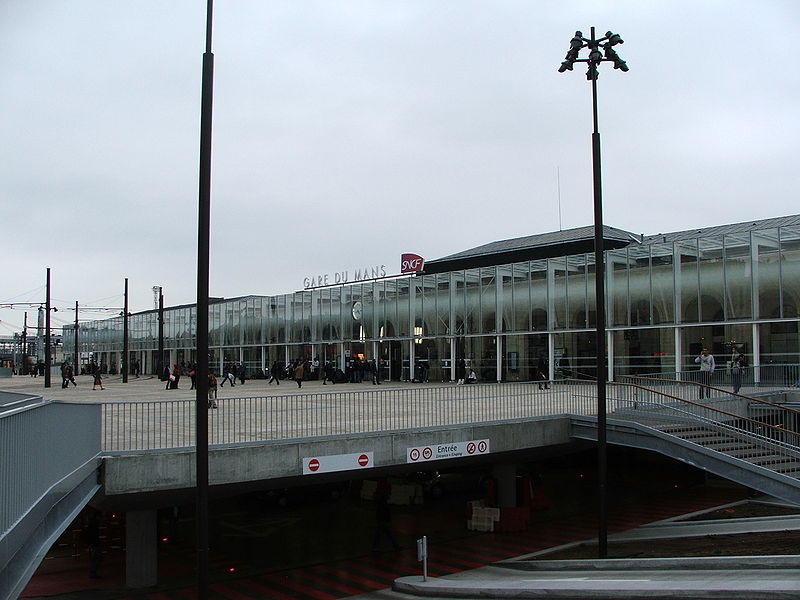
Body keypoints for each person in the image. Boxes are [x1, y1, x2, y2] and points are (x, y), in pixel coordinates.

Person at [85, 510, 103, 579]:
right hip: (95, 542)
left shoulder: (92, 523)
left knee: (95, 557)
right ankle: (93, 572)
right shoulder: (95, 523)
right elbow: (94, 534)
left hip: (93, 542)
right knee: (97, 557)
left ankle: (93, 572)